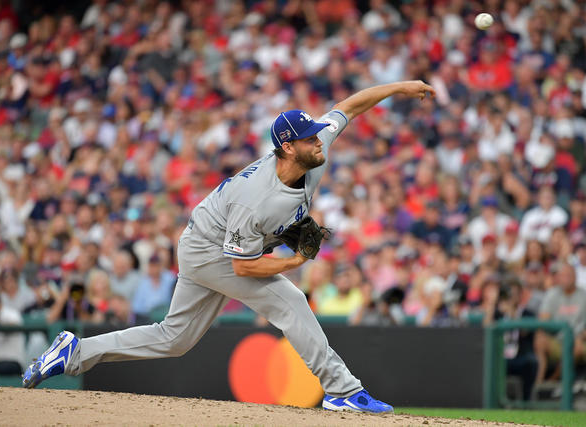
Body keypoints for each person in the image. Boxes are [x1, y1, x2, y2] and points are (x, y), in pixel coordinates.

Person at [22, 80, 435, 414]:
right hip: (209, 249)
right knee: (289, 302)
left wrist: (399, 87)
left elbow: (348, 106)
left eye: (316, 135)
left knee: (174, 338)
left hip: (210, 238)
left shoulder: (307, 153)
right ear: (289, 147)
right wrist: (293, 262)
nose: (319, 141)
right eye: (310, 139)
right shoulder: (258, 198)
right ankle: (341, 390)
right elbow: (242, 269)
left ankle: (76, 350)